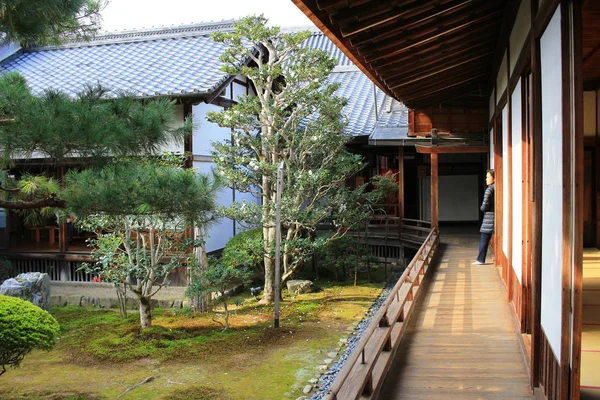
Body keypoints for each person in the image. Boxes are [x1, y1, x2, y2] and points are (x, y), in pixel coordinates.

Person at [473, 170, 495, 265]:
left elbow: (484, 206)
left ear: (494, 178)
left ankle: (480, 259)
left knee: (484, 238)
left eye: (488, 177)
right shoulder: (498, 188)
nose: (486, 179)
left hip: (489, 217)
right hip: (495, 217)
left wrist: (481, 208)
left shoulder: (489, 190)